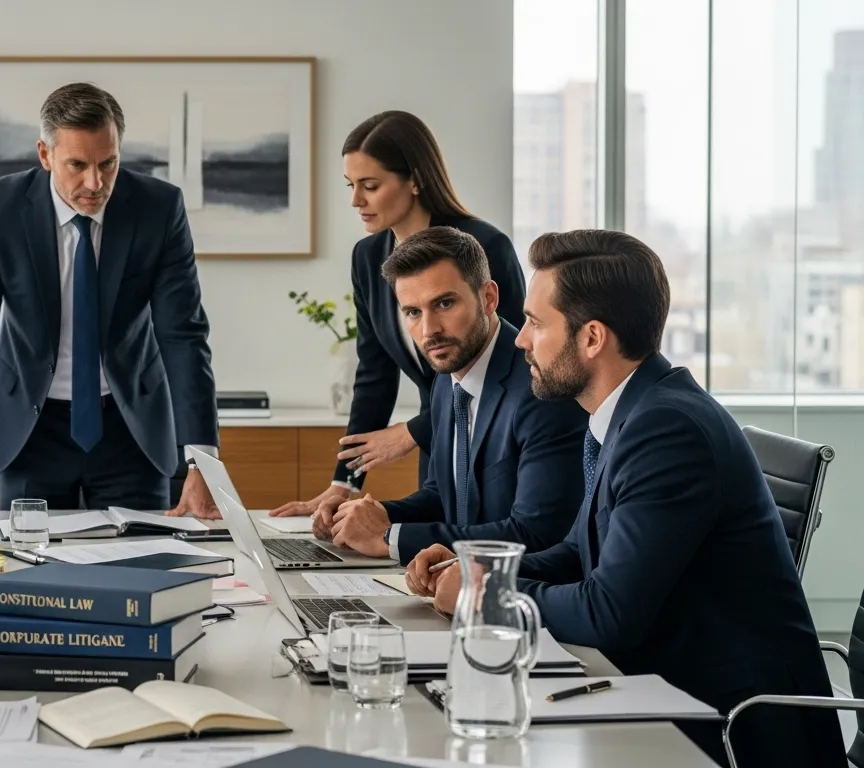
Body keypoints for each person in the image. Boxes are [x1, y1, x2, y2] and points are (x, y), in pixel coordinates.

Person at [421, 230, 842, 768]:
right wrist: (477, 568)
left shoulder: (666, 429)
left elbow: (608, 613)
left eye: (536, 322)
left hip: (734, 728)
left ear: (592, 337)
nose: (521, 340)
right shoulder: (626, 414)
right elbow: (577, 549)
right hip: (661, 690)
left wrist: (483, 596)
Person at [0, 82, 220, 518]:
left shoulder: (158, 208)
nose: (95, 182)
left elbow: (183, 335)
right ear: (45, 155)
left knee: (141, 572)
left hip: (130, 429)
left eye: (108, 163)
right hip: (29, 429)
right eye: (77, 165)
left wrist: (203, 462)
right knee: (32, 577)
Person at [274, 111, 526, 521]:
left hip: (500, 440)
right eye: (351, 186)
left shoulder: (483, 247)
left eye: (370, 186)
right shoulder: (368, 257)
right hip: (439, 445)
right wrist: (346, 482)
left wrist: (412, 431)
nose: (356, 200)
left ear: (414, 179)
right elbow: (374, 374)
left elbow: (515, 370)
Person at [322, 227, 584, 564]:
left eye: (444, 303)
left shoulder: (541, 389)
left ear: (488, 298)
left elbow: (534, 534)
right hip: (450, 586)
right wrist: (359, 515)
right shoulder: (447, 380)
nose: (429, 330)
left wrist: (388, 537)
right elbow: (443, 497)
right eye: (413, 312)